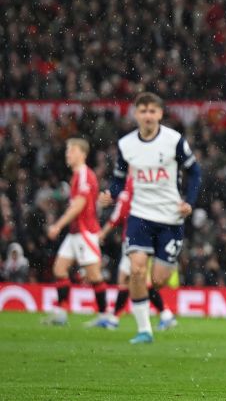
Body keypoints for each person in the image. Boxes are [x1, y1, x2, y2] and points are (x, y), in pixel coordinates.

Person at [98, 92, 202, 344]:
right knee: (135, 270)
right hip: (140, 215)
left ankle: (156, 311)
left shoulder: (174, 141)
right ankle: (144, 329)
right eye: (143, 111)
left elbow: (195, 172)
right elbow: (119, 178)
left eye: (152, 111)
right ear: (135, 114)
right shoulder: (126, 145)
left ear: (160, 114)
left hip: (170, 217)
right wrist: (111, 194)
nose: (147, 116)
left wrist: (189, 202)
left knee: (158, 279)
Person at [43, 138, 108, 326]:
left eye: (71, 151)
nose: (67, 154)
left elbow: (79, 205)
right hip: (75, 232)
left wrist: (58, 225)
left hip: (85, 232)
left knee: (94, 276)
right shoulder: (77, 175)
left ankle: (105, 317)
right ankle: (61, 313)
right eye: (67, 151)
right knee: (59, 269)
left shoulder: (85, 175)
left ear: (82, 154)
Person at [92, 176, 134, 328]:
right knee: (130, 279)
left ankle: (165, 312)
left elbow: (118, 215)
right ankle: (114, 317)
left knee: (128, 278)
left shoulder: (130, 185)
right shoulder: (139, 184)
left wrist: (102, 233)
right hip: (136, 237)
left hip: (134, 238)